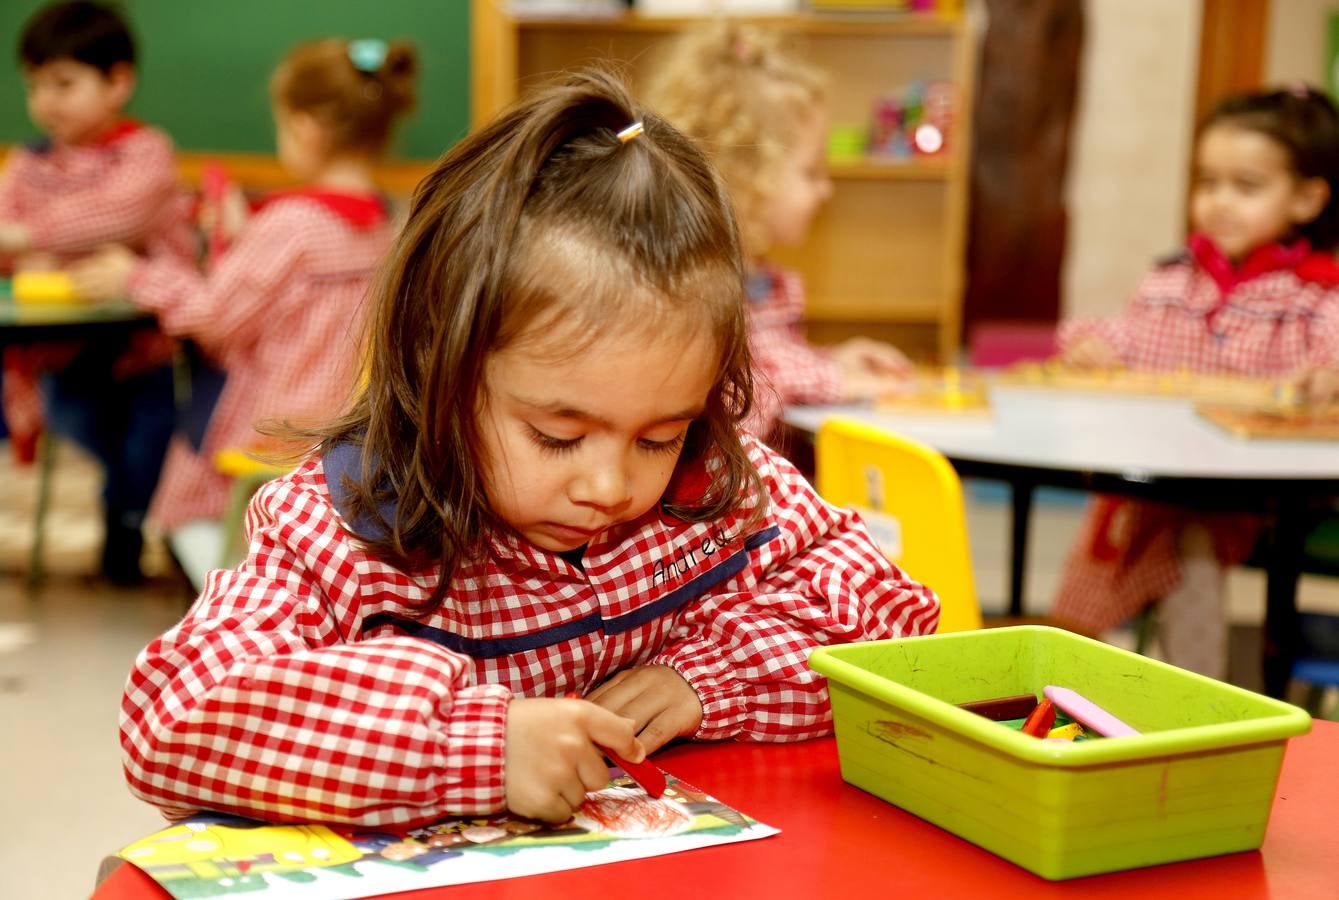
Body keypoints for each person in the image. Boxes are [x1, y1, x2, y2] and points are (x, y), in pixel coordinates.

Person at [119, 70, 940, 829]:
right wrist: (474, 746)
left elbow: (890, 613)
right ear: (441, 364)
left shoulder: (715, 487)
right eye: (557, 435)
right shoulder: (347, 528)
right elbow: (176, 714)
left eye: (660, 434)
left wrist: (706, 679)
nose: (610, 484)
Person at [71, 38, 417, 581]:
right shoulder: (384, 219)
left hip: (277, 422)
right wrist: (243, 240)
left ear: (305, 126)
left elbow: (212, 318)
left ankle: (244, 591)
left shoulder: (287, 224)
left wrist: (135, 276)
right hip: (352, 424)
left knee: (183, 500)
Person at [1052, 84, 1339, 678]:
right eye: (1208, 183)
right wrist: (1092, 346)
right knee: (1136, 526)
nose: (1220, 202)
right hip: (1163, 484)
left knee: (1189, 545)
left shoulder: (1317, 295)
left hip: (1260, 498)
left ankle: (1194, 694)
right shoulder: (1173, 280)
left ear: (1308, 199)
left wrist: (1326, 379)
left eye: (1246, 186)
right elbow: (1128, 340)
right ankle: (1074, 664)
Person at [0, 0, 195, 584]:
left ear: (118, 81)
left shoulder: (147, 150)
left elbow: (120, 214)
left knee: (150, 443)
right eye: (35, 86)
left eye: (64, 83)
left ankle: (129, 517)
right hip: (65, 344)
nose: (46, 101)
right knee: (81, 422)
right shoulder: (30, 161)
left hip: (148, 343)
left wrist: (31, 232)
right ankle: (125, 507)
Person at [644, 23, 912, 443]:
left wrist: (832, 360)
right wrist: (831, 378)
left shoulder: (764, 282)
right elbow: (740, 397)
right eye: (811, 171)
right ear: (747, 178)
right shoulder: (696, 285)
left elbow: (773, 361)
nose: (827, 189)